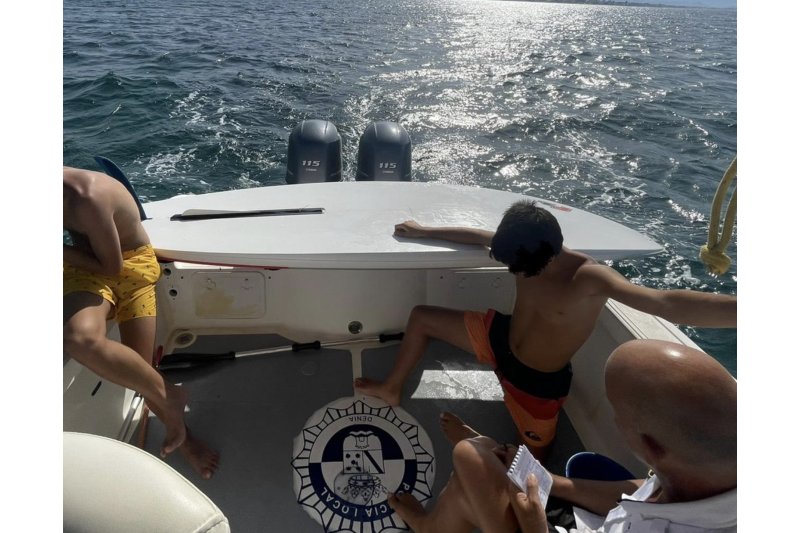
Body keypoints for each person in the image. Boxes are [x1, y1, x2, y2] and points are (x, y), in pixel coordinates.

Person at [354, 200, 736, 457]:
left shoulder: (588, 278)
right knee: (422, 315)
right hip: (497, 337)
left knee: (533, 457)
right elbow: (476, 236)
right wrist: (424, 231)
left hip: (535, 385)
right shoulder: (523, 250)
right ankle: (391, 388)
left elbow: (664, 303)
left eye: (521, 270)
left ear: (550, 253)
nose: (515, 274)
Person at [387, 339, 737, 532]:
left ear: (652, 447)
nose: (614, 418)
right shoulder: (698, 470)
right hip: (596, 524)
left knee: (471, 456)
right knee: (478, 466)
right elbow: (637, 491)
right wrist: (551, 482)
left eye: (617, 412)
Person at [63, 166, 219, 479]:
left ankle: (183, 436)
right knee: (80, 338)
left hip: (129, 265)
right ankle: (171, 397)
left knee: (142, 370)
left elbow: (112, 266)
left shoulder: (86, 197)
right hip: (86, 271)